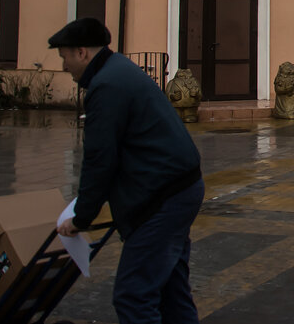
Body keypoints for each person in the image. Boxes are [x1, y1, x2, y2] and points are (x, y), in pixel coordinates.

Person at [50, 18, 203, 324]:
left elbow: (99, 159)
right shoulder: (117, 70)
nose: (64, 66)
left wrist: (82, 216)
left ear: (81, 53)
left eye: (64, 57)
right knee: (171, 292)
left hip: (164, 199)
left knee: (133, 296)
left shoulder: (107, 86)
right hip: (177, 189)